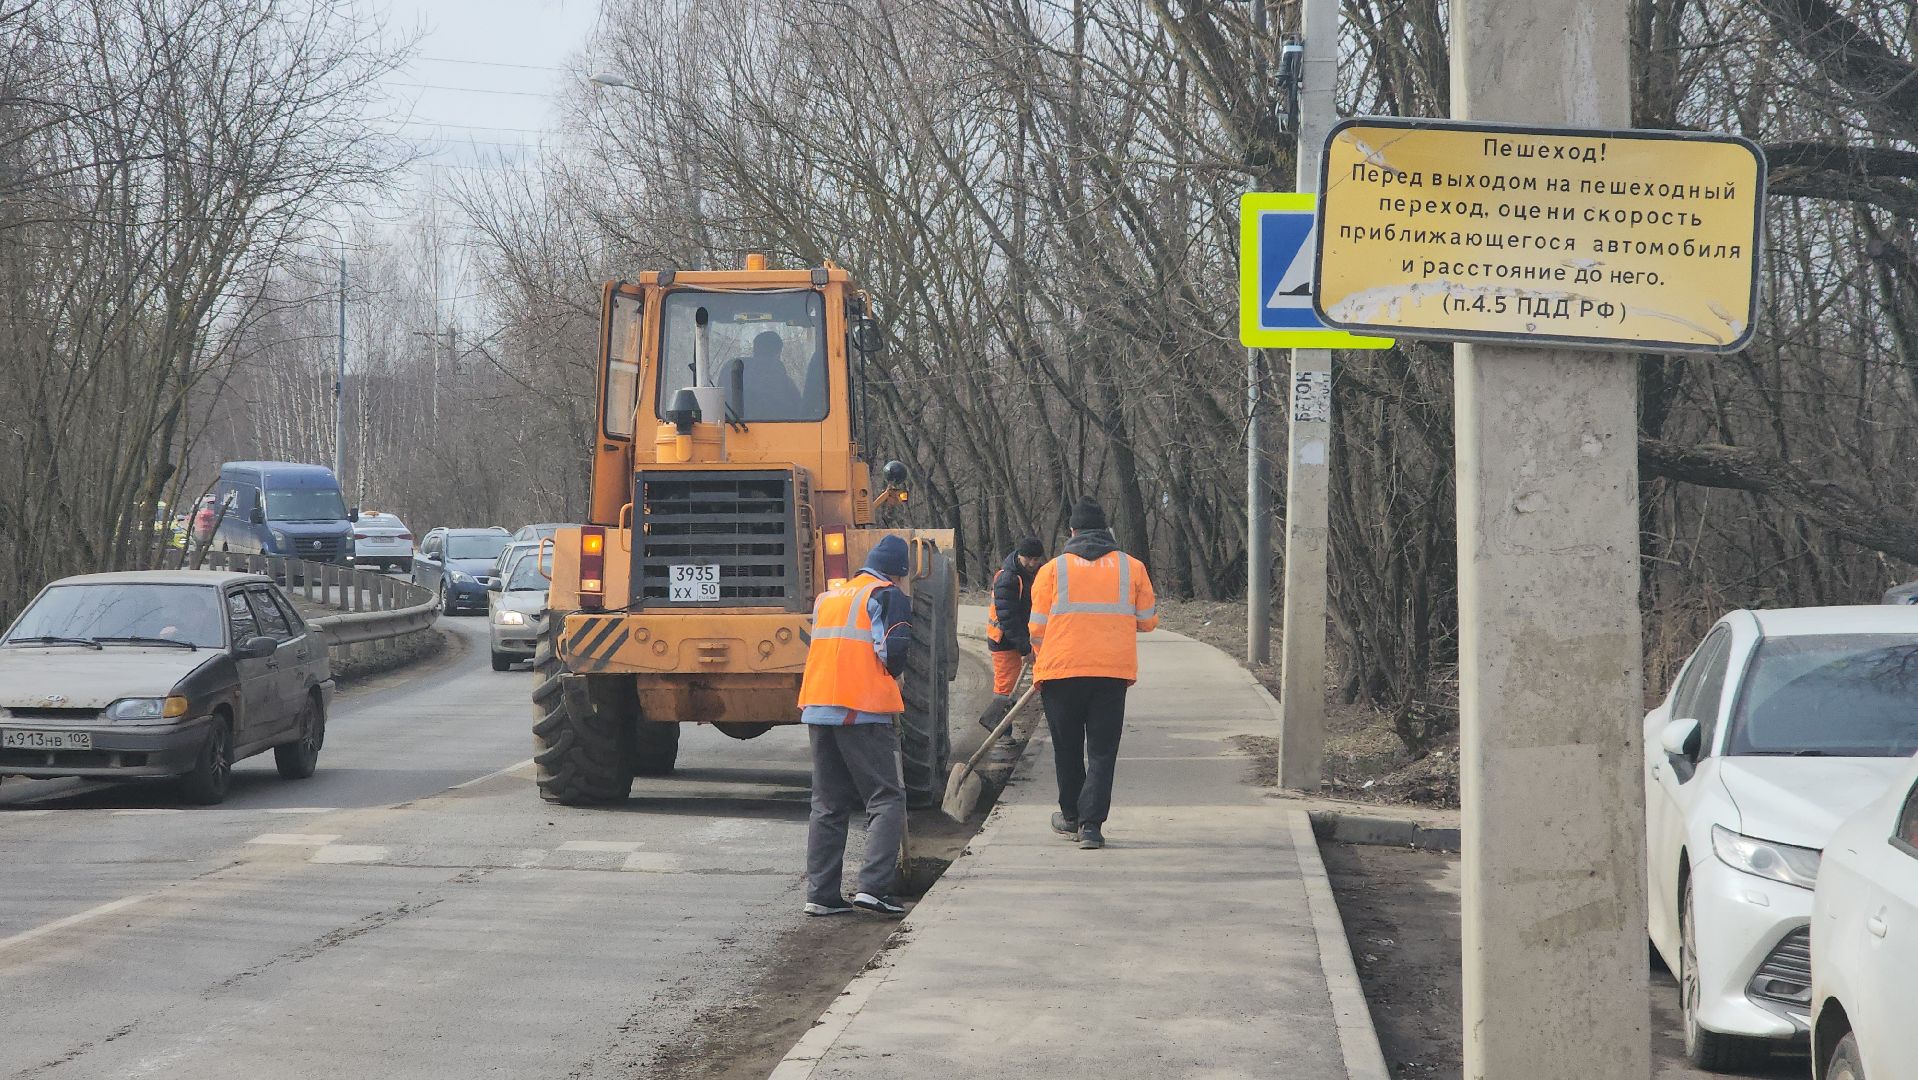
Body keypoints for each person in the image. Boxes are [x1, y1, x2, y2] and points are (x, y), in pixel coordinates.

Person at [1028, 497, 1158, 850]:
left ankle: (1070, 816)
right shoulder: (1132, 567)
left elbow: (1036, 628)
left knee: (1066, 748)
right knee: (1102, 751)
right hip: (1111, 674)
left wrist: (1045, 656)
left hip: (1060, 673)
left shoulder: (1052, 570)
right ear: (1106, 531)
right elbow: (1147, 621)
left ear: (1072, 531)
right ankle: (1091, 827)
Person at [797, 533, 913, 917]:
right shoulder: (886, 595)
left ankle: (822, 895)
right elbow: (894, 647)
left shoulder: (830, 597)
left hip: (819, 707)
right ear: (896, 572)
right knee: (886, 797)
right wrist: (895, 675)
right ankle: (873, 889)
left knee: (828, 803)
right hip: (859, 708)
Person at [978, 536, 1045, 731]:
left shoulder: (1039, 574)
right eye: (1028, 559)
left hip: (1024, 637)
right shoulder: (1008, 578)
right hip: (1004, 640)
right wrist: (1025, 648)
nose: (1032, 563)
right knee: (1006, 688)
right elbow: (1008, 618)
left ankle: (1002, 729)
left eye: (1036, 559)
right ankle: (1001, 732)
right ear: (1020, 556)